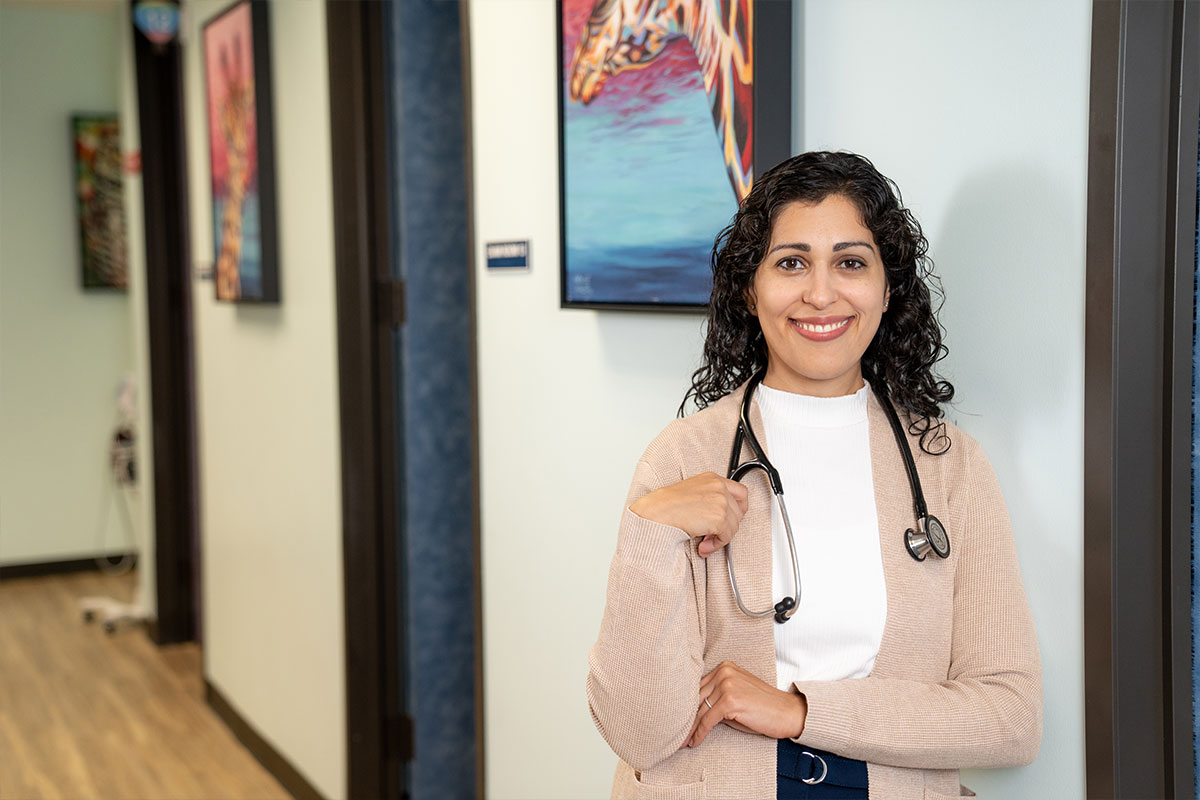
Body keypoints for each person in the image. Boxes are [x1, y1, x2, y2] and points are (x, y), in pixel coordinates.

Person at [586, 152, 1042, 799]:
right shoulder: (685, 458)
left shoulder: (951, 468)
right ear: (751, 287)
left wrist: (799, 711)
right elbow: (639, 733)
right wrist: (651, 532)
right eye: (791, 262)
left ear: (888, 289)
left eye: (850, 262)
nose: (820, 293)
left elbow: (1010, 718)